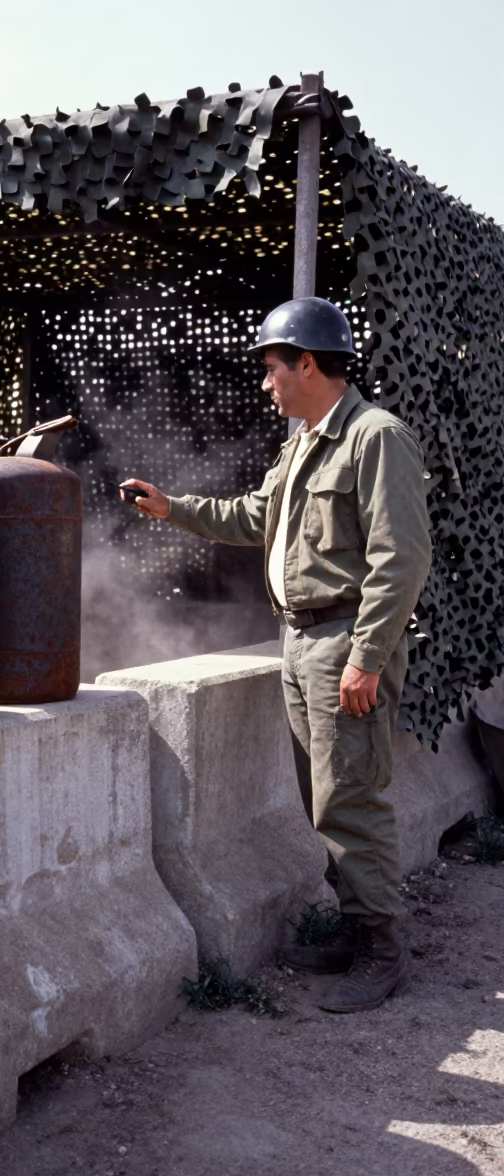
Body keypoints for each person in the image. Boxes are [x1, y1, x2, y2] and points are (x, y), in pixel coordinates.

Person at [121, 297, 432, 1014]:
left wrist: (368, 657)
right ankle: (358, 934)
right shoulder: (303, 443)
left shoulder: (376, 438)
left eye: (272, 368)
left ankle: (384, 953)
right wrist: (174, 508)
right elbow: (257, 517)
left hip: (345, 642)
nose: (266, 383)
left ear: (308, 363)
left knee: (350, 796)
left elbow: (401, 559)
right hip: (302, 641)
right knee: (326, 799)